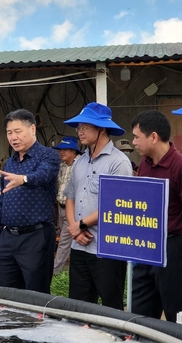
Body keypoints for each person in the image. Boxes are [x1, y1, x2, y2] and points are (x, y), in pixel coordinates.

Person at [0, 109, 60, 293]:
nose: (13, 137)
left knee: (35, 293)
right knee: (7, 294)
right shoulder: (10, 163)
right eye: (9, 132)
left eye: (18, 131)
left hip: (36, 236)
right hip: (8, 238)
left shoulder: (48, 156)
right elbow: (1, 202)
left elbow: (43, 175)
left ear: (32, 129)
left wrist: (23, 179)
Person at [63, 102, 132, 310]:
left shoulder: (118, 162)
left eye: (85, 127)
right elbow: (70, 198)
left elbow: (117, 205)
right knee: (79, 306)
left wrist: (80, 225)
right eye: (78, 127)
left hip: (106, 248)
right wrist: (75, 229)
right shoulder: (80, 161)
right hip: (79, 245)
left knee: (111, 305)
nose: (79, 132)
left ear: (101, 129)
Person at [130, 110, 182, 323]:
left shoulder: (181, 166)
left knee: (174, 309)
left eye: (137, 136)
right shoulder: (145, 163)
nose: (133, 142)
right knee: (140, 312)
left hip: (171, 248)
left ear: (153, 137)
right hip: (145, 246)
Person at [51, 136, 82, 275]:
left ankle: (54, 272)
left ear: (74, 152)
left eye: (66, 150)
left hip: (73, 209)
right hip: (61, 206)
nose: (62, 152)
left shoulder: (80, 165)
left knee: (64, 241)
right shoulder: (62, 166)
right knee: (66, 239)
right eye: (61, 150)